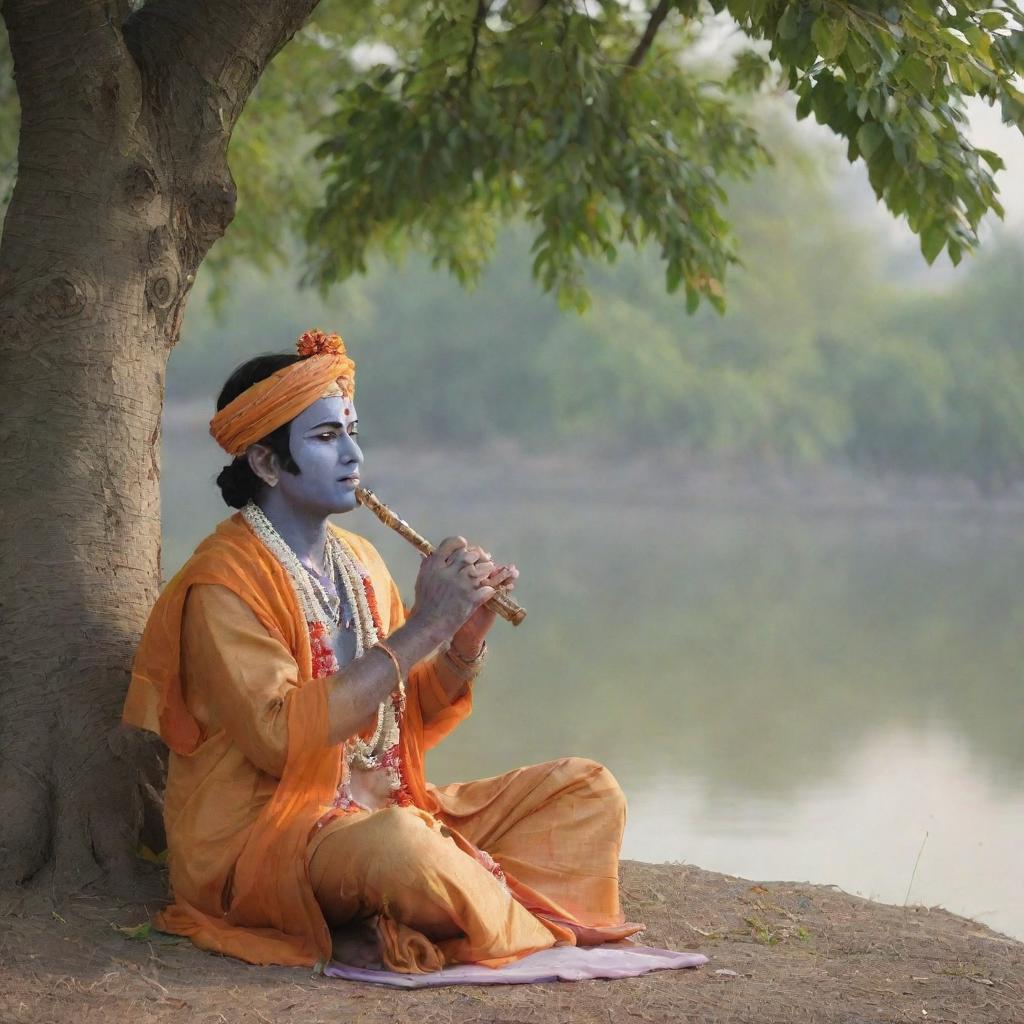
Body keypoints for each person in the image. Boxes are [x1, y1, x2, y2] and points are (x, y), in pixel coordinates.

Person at [122, 328, 642, 972]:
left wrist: (460, 643)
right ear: (264, 462)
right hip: (270, 843)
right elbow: (280, 738)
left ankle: (429, 915)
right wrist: (425, 624)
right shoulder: (224, 583)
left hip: (385, 811)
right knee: (405, 851)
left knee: (588, 790)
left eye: (351, 431)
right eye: (324, 438)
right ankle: (487, 916)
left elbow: (399, 721)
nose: (352, 455)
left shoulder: (360, 562)